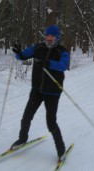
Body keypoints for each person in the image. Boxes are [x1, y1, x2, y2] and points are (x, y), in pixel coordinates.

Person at [11, 25, 70, 161]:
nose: (49, 38)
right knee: (26, 117)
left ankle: (61, 150)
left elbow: (63, 65)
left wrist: (48, 63)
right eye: (47, 36)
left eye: (52, 36)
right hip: (37, 90)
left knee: (51, 123)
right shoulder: (38, 48)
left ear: (57, 37)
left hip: (53, 93)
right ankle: (22, 139)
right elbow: (22, 56)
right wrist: (18, 52)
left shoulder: (62, 52)